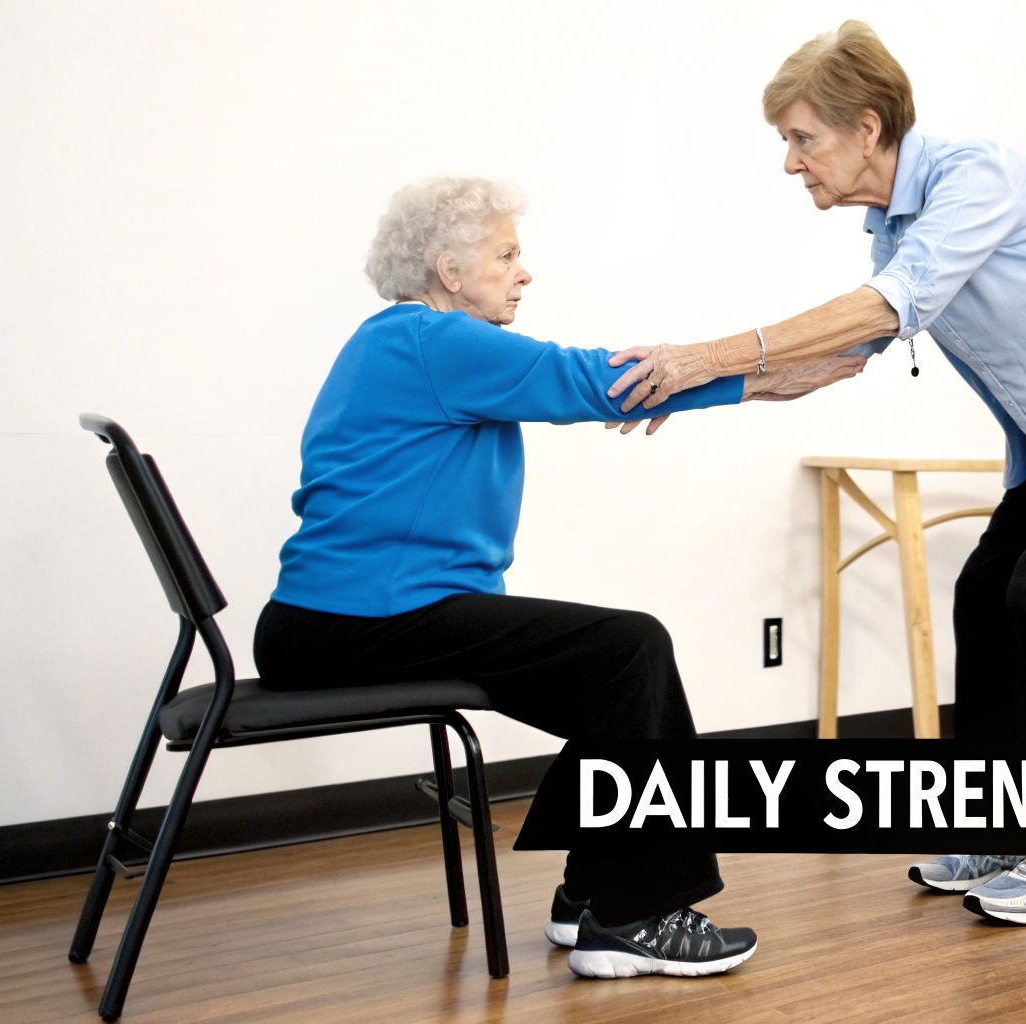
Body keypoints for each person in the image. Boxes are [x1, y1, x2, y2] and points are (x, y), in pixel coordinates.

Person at [606, 22, 1026, 925]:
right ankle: (1003, 825)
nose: (792, 163)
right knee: (987, 592)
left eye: (803, 139)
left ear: (867, 128)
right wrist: (687, 389)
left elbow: (883, 308)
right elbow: (833, 360)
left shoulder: (970, 174)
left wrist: (699, 353)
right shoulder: (894, 230)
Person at [252, 177, 862, 976]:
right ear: (448, 270)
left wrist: (740, 384)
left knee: (611, 679)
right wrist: (756, 380)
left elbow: (569, 387)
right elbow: (581, 378)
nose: (523, 272)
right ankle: (634, 912)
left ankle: (592, 898)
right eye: (505, 254)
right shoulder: (431, 342)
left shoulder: (401, 344)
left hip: (339, 622)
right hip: (363, 620)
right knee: (628, 650)